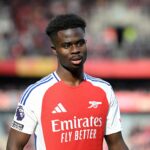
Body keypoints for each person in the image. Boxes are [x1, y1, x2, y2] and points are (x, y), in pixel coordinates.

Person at [6, 14, 129, 150]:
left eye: (80, 43)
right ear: (55, 50)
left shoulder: (104, 90)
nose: (75, 50)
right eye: (67, 45)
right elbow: (14, 145)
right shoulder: (36, 93)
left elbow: (117, 143)